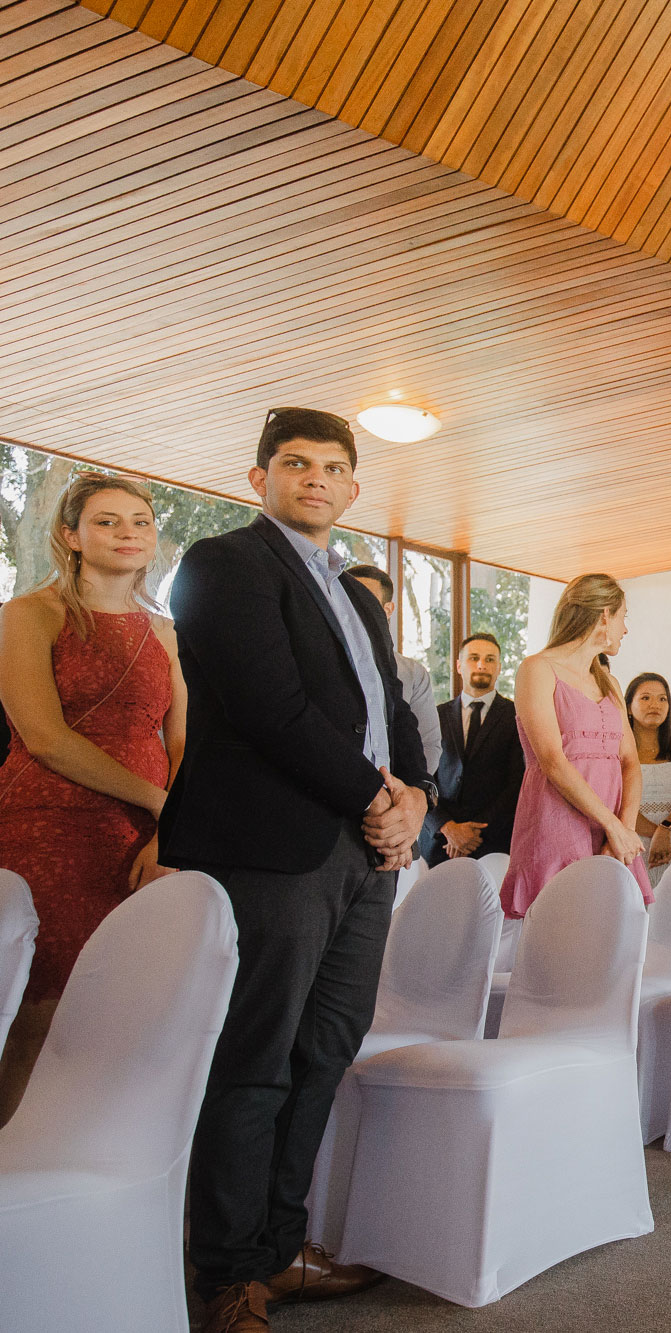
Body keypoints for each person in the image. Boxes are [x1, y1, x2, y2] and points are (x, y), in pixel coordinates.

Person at [163, 407, 432, 1333]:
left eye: (332, 467)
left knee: (325, 1050)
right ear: (258, 478)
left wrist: (420, 797)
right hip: (272, 850)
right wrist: (377, 797)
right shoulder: (222, 565)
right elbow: (268, 706)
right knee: (256, 1058)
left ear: (354, 487)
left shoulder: (356, 595)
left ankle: (281, 1246)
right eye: (293, 462)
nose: (314, 478)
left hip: (364, 857)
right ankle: (225, 1272)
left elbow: (390, 708)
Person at [0, 473, 186, 1124]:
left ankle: (97, 1158)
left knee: (125, 1005)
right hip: (48, 825)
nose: (128, 532)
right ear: (70, 535)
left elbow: (186, 740)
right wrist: (159, 801)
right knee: (40, 1008)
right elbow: (45, 737)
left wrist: (168, 829)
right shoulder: (30, 613)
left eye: (140, 520)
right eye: (108, 521)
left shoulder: (166, 632)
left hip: (144, 833)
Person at [498, 574, 650, 918]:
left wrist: (622, 832)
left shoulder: (609, 681)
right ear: (604, 616)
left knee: (609, 943)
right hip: (556, 824)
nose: (625, 629)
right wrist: (611, 825)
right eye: (624, 616)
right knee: (560, 941)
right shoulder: (536, 669)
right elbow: (552, 761)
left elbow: (630, 762)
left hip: (612, 833)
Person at [425, 632, 526, 864]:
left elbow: (517, 783)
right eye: (474, 658)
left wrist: (473, 833)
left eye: (490, 659)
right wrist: (447, 827)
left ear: (499, 667)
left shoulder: (517, 716)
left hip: (493, 844)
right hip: (439, 842)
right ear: (459, 665)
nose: (482, 664)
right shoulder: (435, 716)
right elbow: (422, 778)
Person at [345, 564, 441, 780]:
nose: (356, 608)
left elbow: (429, 745)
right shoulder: (328, 662)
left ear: (388, 610)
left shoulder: (412, 673)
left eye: (366, 600)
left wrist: (409, 793)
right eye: (350, 600)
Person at [625, 671, 671, 878]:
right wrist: (658, 835)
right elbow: (619, 803)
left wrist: (665, 830)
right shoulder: (618, 754)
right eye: (645, 698)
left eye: (662, 699)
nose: (655, 705)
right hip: (634, 848)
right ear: (629, 707)